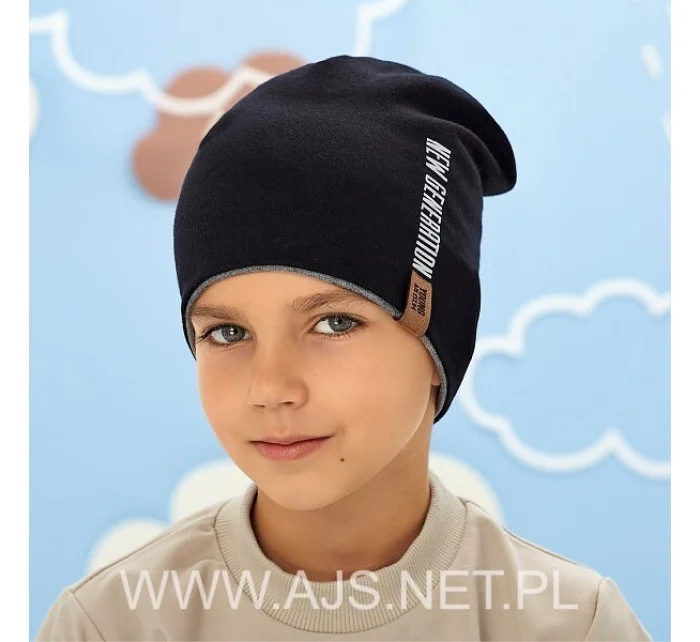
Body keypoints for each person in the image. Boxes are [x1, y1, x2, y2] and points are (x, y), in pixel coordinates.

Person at [36, 54, 652, 641]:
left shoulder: (570, 624)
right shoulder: (109, 625)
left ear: (438, 340)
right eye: (228, 333)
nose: (271, 388)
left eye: (333, 324)